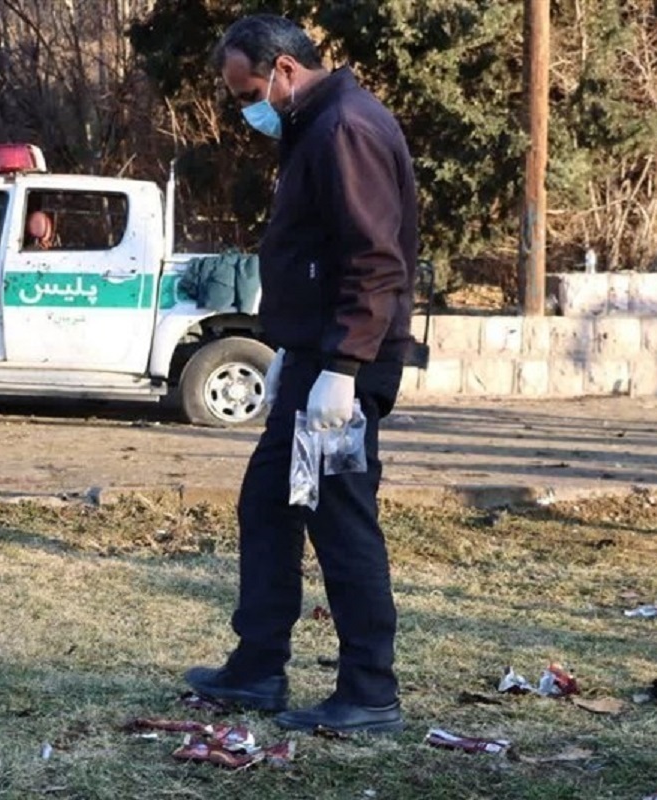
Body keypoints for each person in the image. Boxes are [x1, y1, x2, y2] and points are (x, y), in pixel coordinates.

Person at [184, 14, 419, 735]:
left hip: (341, 365)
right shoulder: (316, 126)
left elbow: (374, 260)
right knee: (268, 505)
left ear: (284, 70)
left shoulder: (344, 128)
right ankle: (257, 669)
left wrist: (343, 368)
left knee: (342, 522)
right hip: (314, 355)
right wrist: (292, 346)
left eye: (248, 89)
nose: (245, 107)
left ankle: (370, 691)